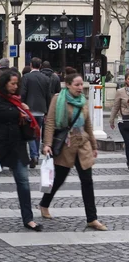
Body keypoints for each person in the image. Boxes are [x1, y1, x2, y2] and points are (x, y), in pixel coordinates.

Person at [0, 70, 43, 231]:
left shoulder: (18, 100)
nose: (15, 86)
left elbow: (24, 121)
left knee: (23, 182)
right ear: (4, 83)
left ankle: (28, 219)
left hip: (17, 146)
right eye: (12, 83)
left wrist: (25, 113)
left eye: (16, 83)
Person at [40, 73, 108, 231]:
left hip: (82, 145)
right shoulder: (58, 99)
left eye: (81, 85)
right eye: (76, 85)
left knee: (87, 181)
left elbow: (88, 123)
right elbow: (50, 122)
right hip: (66, 145)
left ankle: (92, 218)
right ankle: (44, 204)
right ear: (68, 85)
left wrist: (94, 144)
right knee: (59, 179)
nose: (80, 88)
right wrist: (47, 144)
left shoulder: (83, 100)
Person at [21, 57, 52, 168]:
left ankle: (34, 155)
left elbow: (23, 93)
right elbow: (49, 96)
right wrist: (48, 111)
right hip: (41, 109)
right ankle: (36, 155)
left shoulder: (26, 77)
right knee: (38, 133)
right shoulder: (46, 78)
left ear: (30, 65)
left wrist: (22, 106)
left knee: (30, 133)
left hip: (29, 109)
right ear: (40, 66)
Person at [109, 72, 129, 169]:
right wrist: (111, 120)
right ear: (126, 80)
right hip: (124, 122)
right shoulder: (120, 92)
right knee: (128, 143)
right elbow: (115, 107)